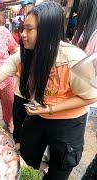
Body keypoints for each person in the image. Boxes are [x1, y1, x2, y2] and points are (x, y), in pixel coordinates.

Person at [0, 2, 97, 179]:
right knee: (25, 160)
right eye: (22, 29)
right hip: (37, 116)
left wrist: (50, 109)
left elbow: (90, 97)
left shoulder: (73, 59)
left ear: (47, 31)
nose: (22, 35)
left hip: (68, 123)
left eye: (29, 29)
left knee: (60, 168)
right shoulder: (23, 56)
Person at [72, 0, 97, 179]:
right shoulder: (85, 34)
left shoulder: (85, 34)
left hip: (82, 92)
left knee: (73, 127)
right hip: (86, 92)